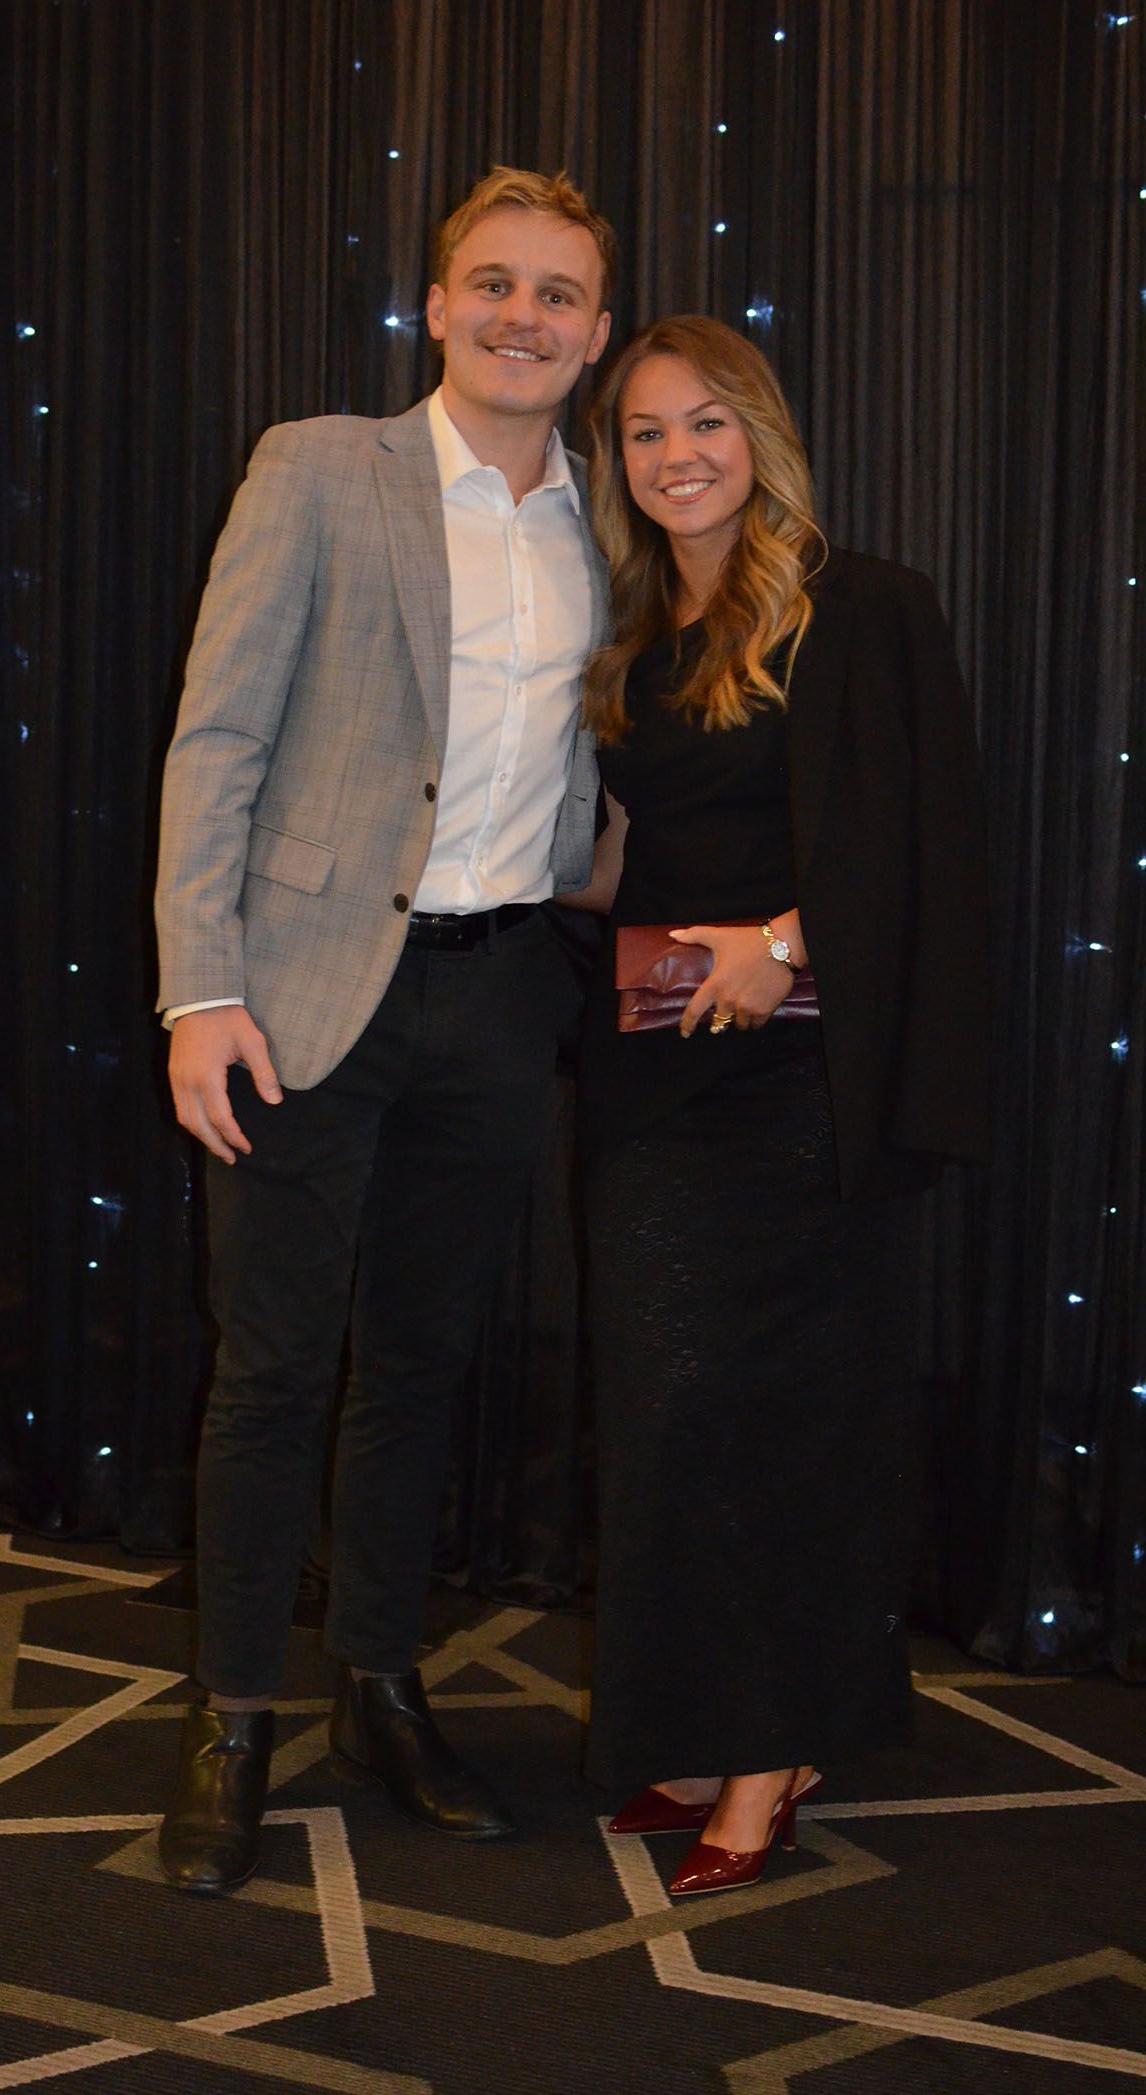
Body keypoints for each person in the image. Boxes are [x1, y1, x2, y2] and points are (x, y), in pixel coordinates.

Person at [153, 167, 614, 1894]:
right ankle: (231, 1719)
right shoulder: (319, 467)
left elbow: (602, 768)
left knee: (419, 1367)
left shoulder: (611, 523)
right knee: (272, 1370)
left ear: (593, 333)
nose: (520, 316)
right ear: (436, 306)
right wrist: (201, 988)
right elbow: (217, 739)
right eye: (493, 283)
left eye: (556, 294)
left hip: (499, 999)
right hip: (300, 991)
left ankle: (378, 1690)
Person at [567, 315, 988, 1897]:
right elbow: (619, 863)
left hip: (807, 1078)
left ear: (762, 435)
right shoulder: (626, 634)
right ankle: (707, 1724)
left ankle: (767, 1761)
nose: (677, 456)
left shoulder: (860, 606)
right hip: (653, 1074)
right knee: (668, 1420)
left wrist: (789, 943)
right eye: (646, 431)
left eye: (706, 423)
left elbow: (929, 839)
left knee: (788, 1423)